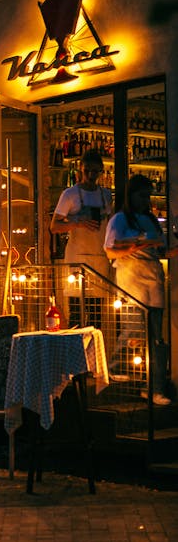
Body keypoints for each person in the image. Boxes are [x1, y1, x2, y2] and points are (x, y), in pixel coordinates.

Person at [104, 174, 177, 405]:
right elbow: (110, 250)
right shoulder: (119, 220)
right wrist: (136, 245)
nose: (146, 200)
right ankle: (116, 367)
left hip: (153, 281)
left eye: (148, 196)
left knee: (156, 339)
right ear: (131, 195)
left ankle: (154, 388)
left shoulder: (152, 220)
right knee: (133, 330)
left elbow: (162, 251)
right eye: (142, 195)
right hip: (131, 281)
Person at [50, 149, 113, 325]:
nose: (91, 175)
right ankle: (75, 351)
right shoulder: (70, 194)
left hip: (99, 258)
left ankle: (93, 351)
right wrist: (77, 222)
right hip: (76, 259)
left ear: (101, 170)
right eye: (88, 171)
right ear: (80, 169)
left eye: (96, 171)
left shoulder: (106, 196)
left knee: (96, 315)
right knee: (76, 314)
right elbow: (54, 226)